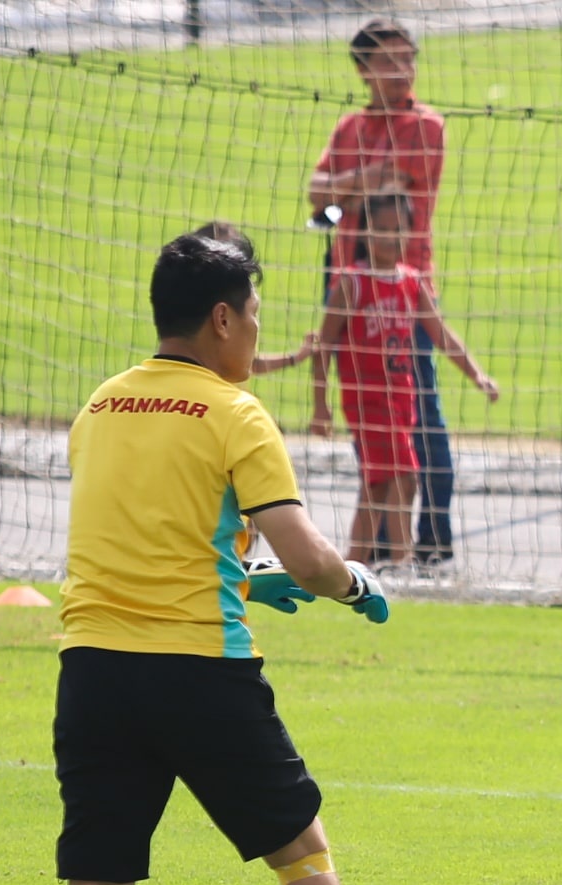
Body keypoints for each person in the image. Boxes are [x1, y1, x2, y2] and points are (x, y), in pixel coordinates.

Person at [35, 231, 408, 885]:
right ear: (220, 317)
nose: (254, 333)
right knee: (302, 855)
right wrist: (352, 582)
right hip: (202, 672)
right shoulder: (235, 413)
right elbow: (311, 556)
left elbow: (145, 543)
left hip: (91, 673)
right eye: (252, 315)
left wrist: (240, 576)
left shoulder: (100, 405)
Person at [308, 18, 460, 567]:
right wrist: (354, 187)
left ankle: (432, 541)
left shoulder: (427, 126)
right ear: (363, 69)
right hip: (350, 290)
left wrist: (344, 192)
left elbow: (381, 192)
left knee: (420, 412)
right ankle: (374, 547)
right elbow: (315, 204)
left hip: (404, 289)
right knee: (367, 416)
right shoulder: (348, 127)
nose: (403, 70)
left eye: (409, 58)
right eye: (390, 61)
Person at [310, 194, 498, 567]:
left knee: (381, 484)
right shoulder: (352, 283)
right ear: (364, 231)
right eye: (381, 229)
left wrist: (477, 374)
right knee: (402, 477)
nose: (390, 238)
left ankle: (357, 565)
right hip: (367, 400)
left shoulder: (411, 283)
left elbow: (441, 335)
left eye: (398, 230)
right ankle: (399, 561)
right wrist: (321, 404)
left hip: (402, 401)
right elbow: (324, 345)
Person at [193, 221, 317, 375]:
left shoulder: (187, 309)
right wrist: (296, 357)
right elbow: (253, 364)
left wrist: (296, 357)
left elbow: (251, 363)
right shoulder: (228, 310)